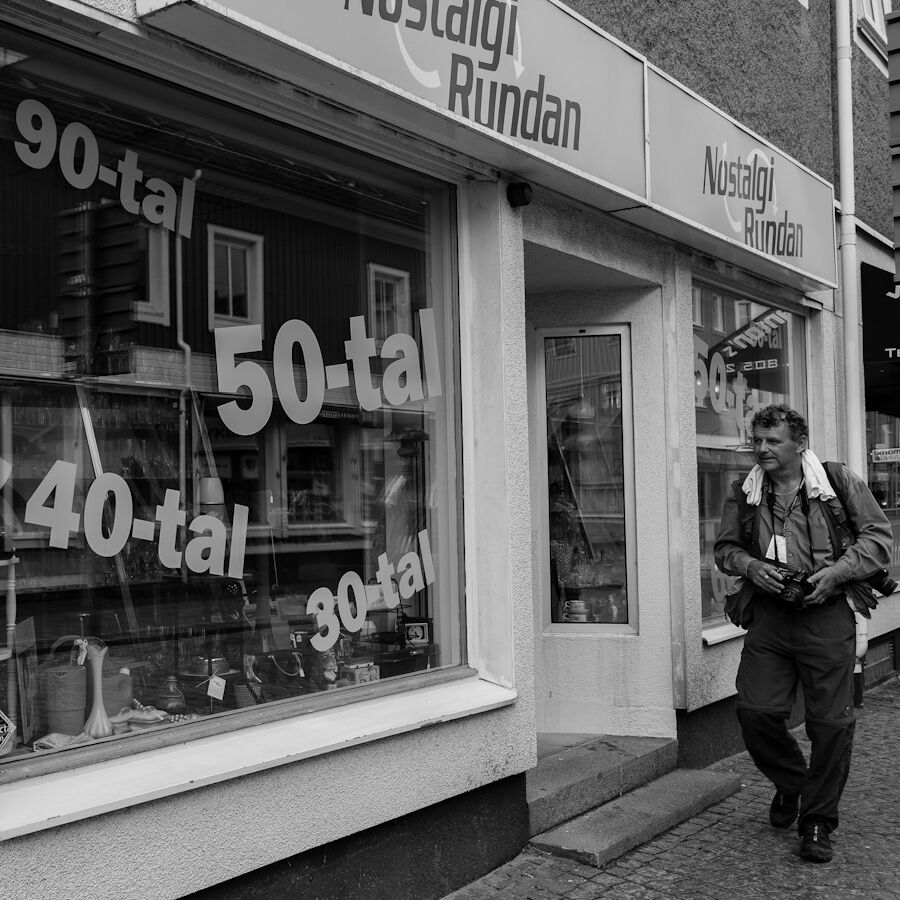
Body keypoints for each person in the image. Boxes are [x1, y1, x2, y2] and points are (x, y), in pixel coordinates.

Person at [714, 404, 893, 863]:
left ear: (800, 444)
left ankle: (817, 821)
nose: (762, 449)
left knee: (831, 724)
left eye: (773, 441)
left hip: (827, 617)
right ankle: (793, 781)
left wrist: (835, 575)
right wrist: (750, 566)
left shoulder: (836, 481)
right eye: (757, 440)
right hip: (770, 617)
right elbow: (725, 549)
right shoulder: (745, 492)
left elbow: (878, 540)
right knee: (755, 712)